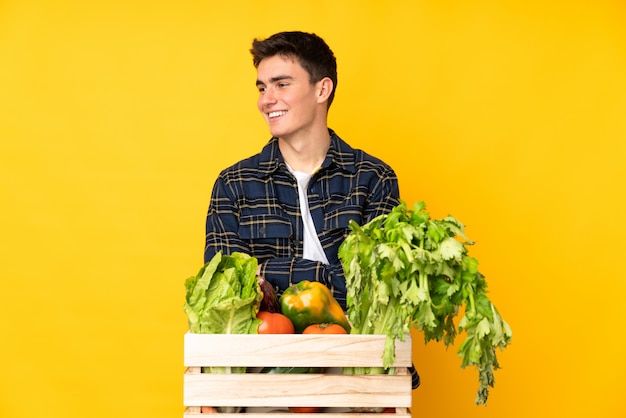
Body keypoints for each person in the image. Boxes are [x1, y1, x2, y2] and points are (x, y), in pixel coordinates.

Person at [204, 30, 419, 390]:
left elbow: (380, 293)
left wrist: (266, 271)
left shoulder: (373, 179)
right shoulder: (234, 184)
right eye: (261, 88)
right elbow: (225, 293)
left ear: (322, 90)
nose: (266, 100)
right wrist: (332, 274)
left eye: (281, 84)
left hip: (356, 372)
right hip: (260, 377)